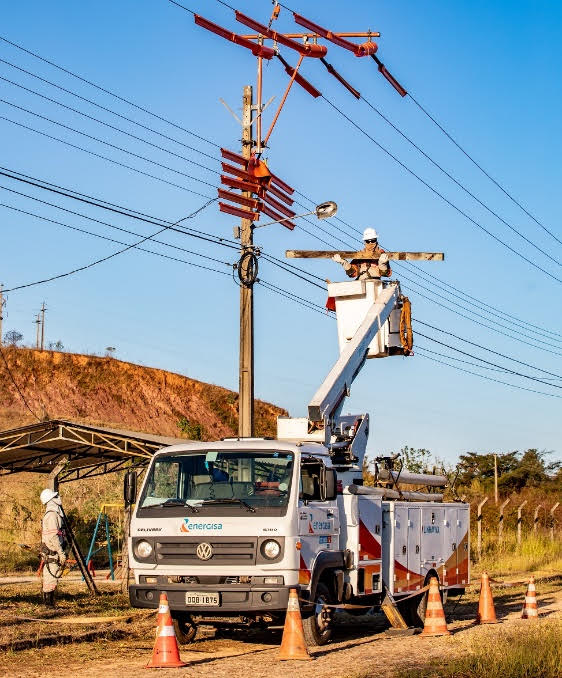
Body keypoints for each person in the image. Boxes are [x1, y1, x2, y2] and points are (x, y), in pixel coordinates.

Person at [40, 488, 67, 607]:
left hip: (54, 551)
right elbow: (53, 536)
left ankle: (50, 604)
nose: (57, 499)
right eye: (54, 497)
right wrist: (61, 552)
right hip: (52, 551)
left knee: (53, 577)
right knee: (50, 578)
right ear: (50, 500)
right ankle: (48, 605)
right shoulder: (51, 515)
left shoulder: (54, 514)